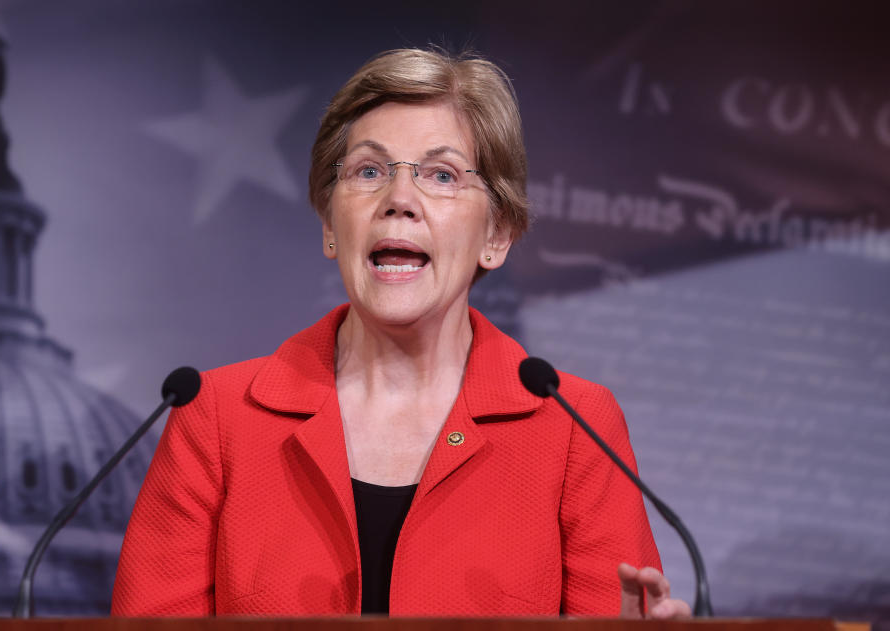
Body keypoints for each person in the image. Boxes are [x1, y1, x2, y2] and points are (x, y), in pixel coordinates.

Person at [111, 48, 691, 619]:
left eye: (441, 175)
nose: (399, 200)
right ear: (330, 226)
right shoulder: (214, 419)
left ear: (498, 234)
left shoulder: (573, 429)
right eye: (369, 171)